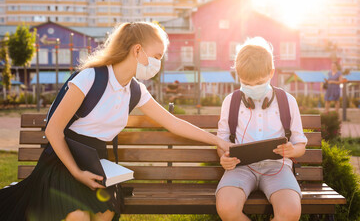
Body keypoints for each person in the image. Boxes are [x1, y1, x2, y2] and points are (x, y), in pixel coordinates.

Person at [0, 22, 231, 221]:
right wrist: (77, 173)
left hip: (98, 164)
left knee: (105, 214)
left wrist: (217, 141)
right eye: (157, 56)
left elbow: (173, 123)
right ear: (137, 50)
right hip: (63, 162)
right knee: (76, 216)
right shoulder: (90, 77)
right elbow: (53, 130)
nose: (158, 63)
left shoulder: (136, 90)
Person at [215, 37, 307, 221]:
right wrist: (224, 157)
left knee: (290, 212)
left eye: (258, 82)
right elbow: (222, 143)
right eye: (247, 83)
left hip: (278, 167)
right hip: (240, 168)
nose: (252, 88)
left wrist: (292, 150)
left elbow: (300, 146)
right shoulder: (230, 101)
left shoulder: (287, 101)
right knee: (226, 207)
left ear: (271, 72)